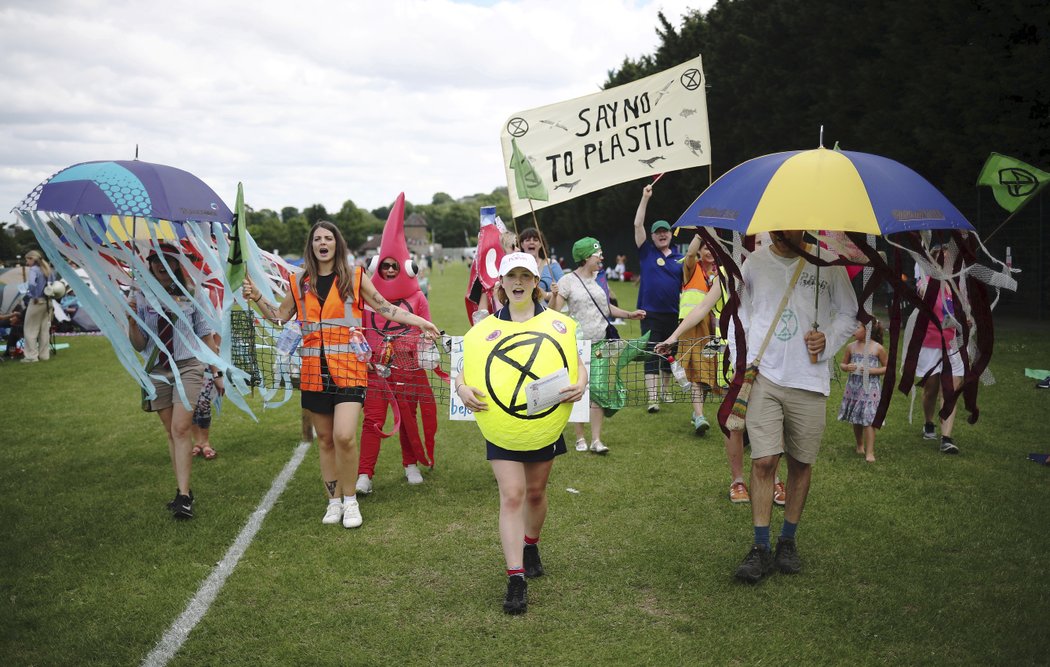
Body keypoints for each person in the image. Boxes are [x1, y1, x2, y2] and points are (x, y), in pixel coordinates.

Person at [243, 221, 440, 529]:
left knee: (344, 436)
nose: (323, 243)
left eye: (328, 238)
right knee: (325, 440)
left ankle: (351, 502)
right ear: (311, 245)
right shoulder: (299, 282)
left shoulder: (355, 277)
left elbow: (385, 307)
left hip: (349, 370)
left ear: (337, 245)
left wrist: (419, 322)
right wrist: (256, 296)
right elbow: (279, 317)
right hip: (313, 373)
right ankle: (333, 502)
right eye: (317, 238)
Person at [455, 252, 586, 614]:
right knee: (511, 495)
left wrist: (580, 383)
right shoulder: (483, 330)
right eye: (511, 276)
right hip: (502, 423)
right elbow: (463, 370)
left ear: (535, 282)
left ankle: (531, 543)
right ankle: (516, 579)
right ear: (501, 283)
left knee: (535, 493)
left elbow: (577, 365)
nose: (517, 282)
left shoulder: (558, 324)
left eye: (524, 276)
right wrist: (462, 389)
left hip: (544, 420)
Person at [732, 230, 857, 584]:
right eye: (777, 226)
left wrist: (828, 339)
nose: (780, 232)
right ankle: (760, 547)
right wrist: (740, 359)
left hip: (809, 379)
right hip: (765, 378)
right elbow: (738, 315)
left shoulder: (827, 263)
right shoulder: (754, 264)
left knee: (801, 463)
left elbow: (849, 313)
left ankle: (787, 540)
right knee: (765, 460)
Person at [127, 244, 224, 519]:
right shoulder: (140, 296)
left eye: (168, 259)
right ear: (150, 265)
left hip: (188, 366)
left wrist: (216, 373)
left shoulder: (194, 293)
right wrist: (132, 322)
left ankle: (183, 497)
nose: (161, 264)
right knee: (172, 432)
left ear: (177, 264)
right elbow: (139, 345)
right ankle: (183, 490)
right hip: (156, 369)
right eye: (156, 260)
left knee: (181, 429)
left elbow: (205, 335)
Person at [551, 237, 645, 454]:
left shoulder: (599, 278)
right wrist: (554, 295)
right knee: (579, 391)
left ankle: (596, 440)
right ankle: (580, 437)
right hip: (577, 347)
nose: (601, 257)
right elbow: (554, 313)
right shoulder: (567, 281)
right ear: (585, 257)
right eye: (597, 254)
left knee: (600, 390)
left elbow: (607, 308)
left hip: (601, 345)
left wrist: (630, 314)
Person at [356, 255, 438, 494]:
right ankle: (364, 474)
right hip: (374, 369)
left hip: (408, 367)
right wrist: (365, 358)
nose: (390, 270)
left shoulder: (418, 297)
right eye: (385, 265)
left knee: (408, 418)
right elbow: (358, 332)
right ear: (376, 268)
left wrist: (425, 343)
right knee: (373, 420)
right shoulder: (365, 297)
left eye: (395, 265)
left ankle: (410, 464)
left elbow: (426, 328)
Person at [633, 185, 684, 412]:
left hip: (674, 314)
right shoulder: (646, 252)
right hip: (649, 313)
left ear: (670, 234)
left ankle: (665, 391)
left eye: (665, 231)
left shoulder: (680, 258)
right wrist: (645, 199)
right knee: (652, 353)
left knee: (669, 354)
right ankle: (653, 398)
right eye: (657, 232)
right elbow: (637, 224)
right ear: (652, 236)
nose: (662, 234)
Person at [915, 273, 964, 454]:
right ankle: (929, 423)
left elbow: (963, 311)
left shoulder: (957, 285)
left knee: (950, 390)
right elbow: (919, 291)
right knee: (931, 390)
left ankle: (946, 438)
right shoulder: (925, 282)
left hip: (953, 344)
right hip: (930, 344)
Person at [838, 320, 888, 462]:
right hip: (854, 387)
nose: (854, 329)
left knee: (868, 419)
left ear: (867, 330)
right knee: (857, 417)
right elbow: (843, 363)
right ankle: (860, 445)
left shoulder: (877, 348)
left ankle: (870, 452)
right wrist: (847, 367)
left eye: (857, 327)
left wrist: (871, 370)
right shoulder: (851, 347)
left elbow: (887, 368)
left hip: (870, 389)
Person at [21, 250, 53, 363]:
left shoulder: (34, 270)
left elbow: (31, 284)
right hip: (48, 301)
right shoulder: (47, 269)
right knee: (44, 330)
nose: (26, 262)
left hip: (36, 301)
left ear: (32, 259)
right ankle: (44, 355)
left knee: (30, 329)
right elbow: (52, 284)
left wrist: (33, 295)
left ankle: (31, 356)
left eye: (27, 259)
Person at [518, 227, 563, 304]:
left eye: (535, 240)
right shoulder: (517, 268)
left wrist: (546, 295)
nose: (531, 242)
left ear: (540, 244)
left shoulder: (551, 264)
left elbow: (564, 291)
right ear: (521, 244)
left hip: (549, 313)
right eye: (527, 240)